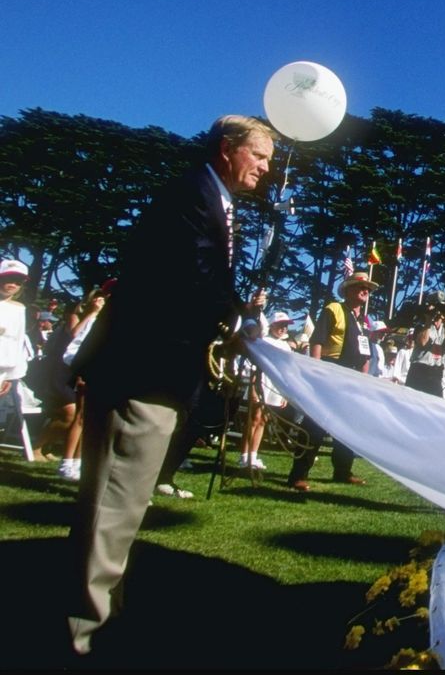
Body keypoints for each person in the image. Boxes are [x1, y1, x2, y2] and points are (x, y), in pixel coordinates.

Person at [66, 115, 275, 657]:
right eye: (260, 155)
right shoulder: (189, 197)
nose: (266, 168)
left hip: (160, 375)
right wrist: (237, 321)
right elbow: (193, 275)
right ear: (229, 149)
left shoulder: (208, 199)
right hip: (143, 374)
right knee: (113, 506)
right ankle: (79, 636)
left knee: (119, 506)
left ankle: (91, 615)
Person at [288, 271, 378, 491]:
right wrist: (316, 370)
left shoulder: (364, 321)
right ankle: (298, 474)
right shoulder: (333, 309)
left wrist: (364, 377)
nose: (365, 290)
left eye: (367, 287)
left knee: (348, 427)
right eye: (360, 286)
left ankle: (342, 471)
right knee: (315, 425)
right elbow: (317, 339)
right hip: (330, 370)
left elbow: (365, 352)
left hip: (353, 377)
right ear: (347, 290)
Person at [237, 312, 292, 470]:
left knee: (263, 420)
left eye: (285, 325)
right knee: (254, 418)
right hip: (261, 382)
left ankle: (253, 456)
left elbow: (286, 371)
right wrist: (253, 388)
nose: (283, 328)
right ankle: (244, 456)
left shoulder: (286, 346)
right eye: (280, 324)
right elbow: (253, 365)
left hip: (274, 386)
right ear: (272, 325)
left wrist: (284, 393)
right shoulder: (263, 341)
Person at [0, 260, 34, 454]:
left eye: (18, 281)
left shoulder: (19, 309)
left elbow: (18, 340)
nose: (13, 283)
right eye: (8, 278)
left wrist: (12, 376)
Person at [405, 292, 445, 397]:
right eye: (436, 306)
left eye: (441, 306)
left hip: (436, 373)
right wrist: (428, 321)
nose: (438, 310)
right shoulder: (420, 325)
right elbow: (422, 342)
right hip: (419, 371)